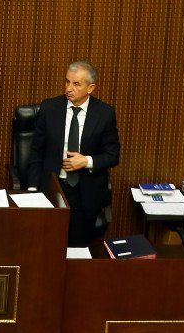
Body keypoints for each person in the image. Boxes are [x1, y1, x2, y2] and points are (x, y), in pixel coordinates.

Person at [27, 60, 120, 246]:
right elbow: (36, 151)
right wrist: (32, 190)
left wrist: (86, 161)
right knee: (46, 245)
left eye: (76, 84)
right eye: (67, 81)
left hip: (85, 191)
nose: (69, 88)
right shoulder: (50, 108)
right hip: (53, 187)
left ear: (90, 88)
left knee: (78, 248)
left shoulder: (104, 113)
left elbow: (113, 155)